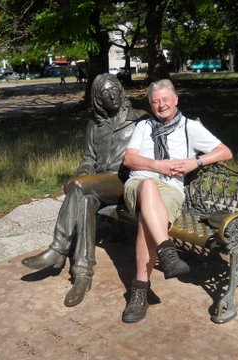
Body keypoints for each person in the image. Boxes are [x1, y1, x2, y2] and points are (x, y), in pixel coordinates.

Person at [22, 73, 147, 307]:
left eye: (115, 90)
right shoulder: (94, 126)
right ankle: (82, 274)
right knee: (86, 199)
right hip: (97, 184)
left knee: (77, 187)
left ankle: (58, 249)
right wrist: (84, 172)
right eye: (105, 94)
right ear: (98, 100)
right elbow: (88, 158)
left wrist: (79, 183)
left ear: (121, 90)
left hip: (124, 180)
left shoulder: (140, 119)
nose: (112, 96)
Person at [121, 79, 233, 323]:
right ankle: (168, 252)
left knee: (145, 221)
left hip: (170, 190)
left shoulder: (189, 127)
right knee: (148, 184)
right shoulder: (144, 126)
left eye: (165, 100)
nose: (161, 105)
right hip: (137, 184)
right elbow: (130, 160)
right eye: (156, 101)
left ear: (175, 100)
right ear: (151, 105)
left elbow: (225, 151)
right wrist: (156, 165)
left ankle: (139, 290)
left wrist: (197, 161)